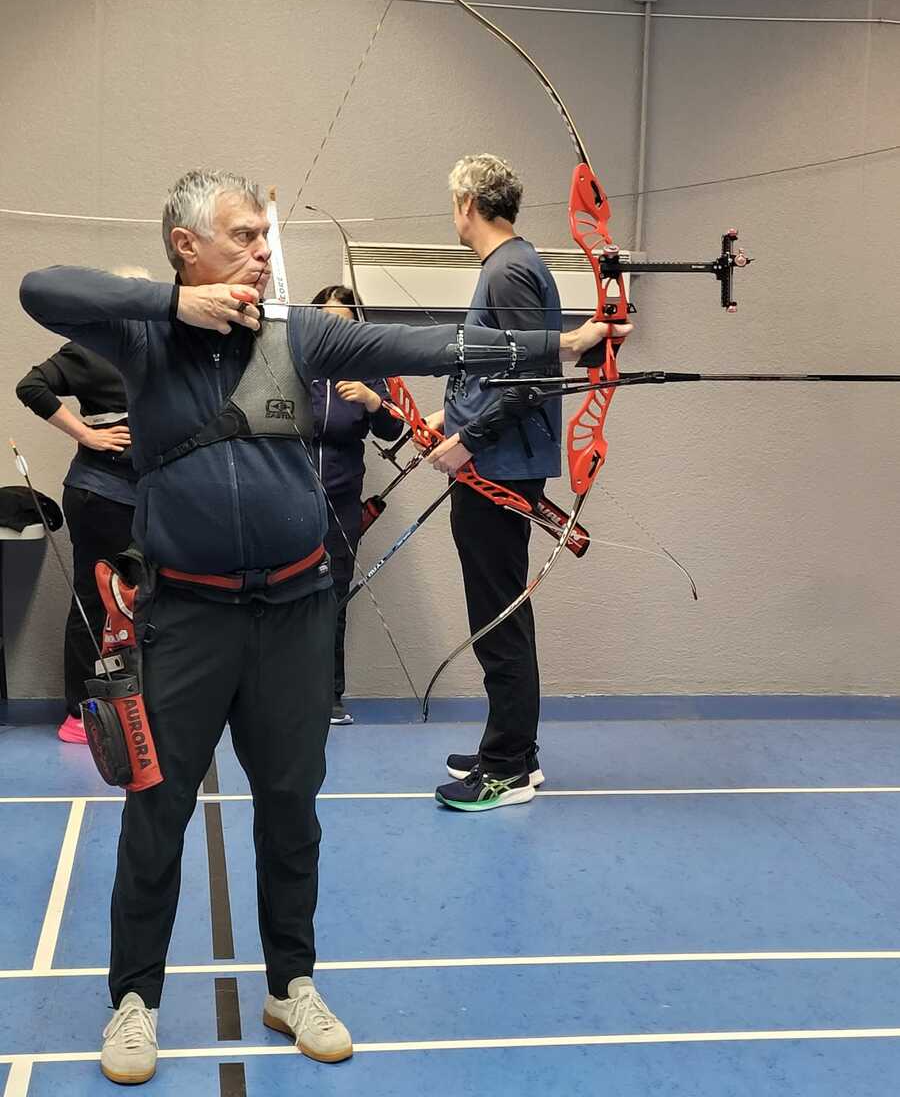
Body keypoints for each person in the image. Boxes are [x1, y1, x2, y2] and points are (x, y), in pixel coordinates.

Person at [19, 168, 619, 1085]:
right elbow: (41, 290)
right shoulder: (141, 335)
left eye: (265, 236)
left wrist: (563, 341)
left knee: (291, 808)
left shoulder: (299, 332)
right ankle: (135, 1001)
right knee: (157, 811)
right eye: (244, 236)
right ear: (186, 246)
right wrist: (175, 306)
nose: (264, 251)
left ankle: (291, 983)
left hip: (295, 613)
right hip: (186, 618)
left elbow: (432, 343)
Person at [425, 154, 575, 812]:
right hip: (496, 462)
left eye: (452, 204)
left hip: (497, 470)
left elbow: (532, 380)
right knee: (499, 610)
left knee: (498, 615)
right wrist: (453, 416)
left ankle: (508, 766)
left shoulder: (509, 269)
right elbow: (500, 371)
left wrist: (468, 441)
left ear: (467, 204)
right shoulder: (509, 265)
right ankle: (513, 749)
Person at [15, 268, 148, 744]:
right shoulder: (89, 349)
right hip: (100, 496)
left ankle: (136, 704)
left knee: (144, 601)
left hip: (149, 497)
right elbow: (31, 386)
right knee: (95, 599)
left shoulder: (154, 352)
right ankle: (80, 713)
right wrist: (87, 435)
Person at [308, 284, 404, 725]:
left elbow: (392, 430)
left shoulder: (367, 369)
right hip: (289, 496)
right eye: (326, 321)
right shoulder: (297, 363)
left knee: (334, 593)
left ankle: (328, 695)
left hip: (341, 497)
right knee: (280, 594)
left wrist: (373, 401)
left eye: (343, 323)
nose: (334, 330)